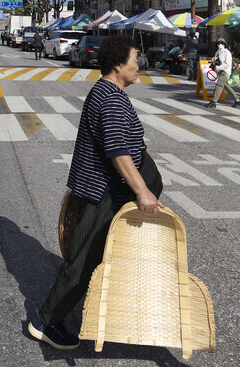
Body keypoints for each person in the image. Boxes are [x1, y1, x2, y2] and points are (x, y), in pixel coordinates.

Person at [26, 34, 159, 350]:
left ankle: (103, 314)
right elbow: (117, 151)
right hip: (103, 195)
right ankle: (46, 321)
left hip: (106, 193)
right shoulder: (111, 98)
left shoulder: (108, 92)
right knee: (83, 262)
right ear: (118, 65)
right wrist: (142, 192)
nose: (138, 63)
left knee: (96, 258)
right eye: (134, 58)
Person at [206, 39, 240, 108]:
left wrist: (218, 67)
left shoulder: (227, 52)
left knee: (218, 85)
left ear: (224, 44)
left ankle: (213, 102)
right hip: (219, 71)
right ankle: (237, 100)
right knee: (226, 87)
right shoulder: (217, 52)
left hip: (225, 71)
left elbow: (226, 64)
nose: (220, 44)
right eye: (218, 43)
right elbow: (214, 60)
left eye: (221, 43)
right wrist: (213, 61)